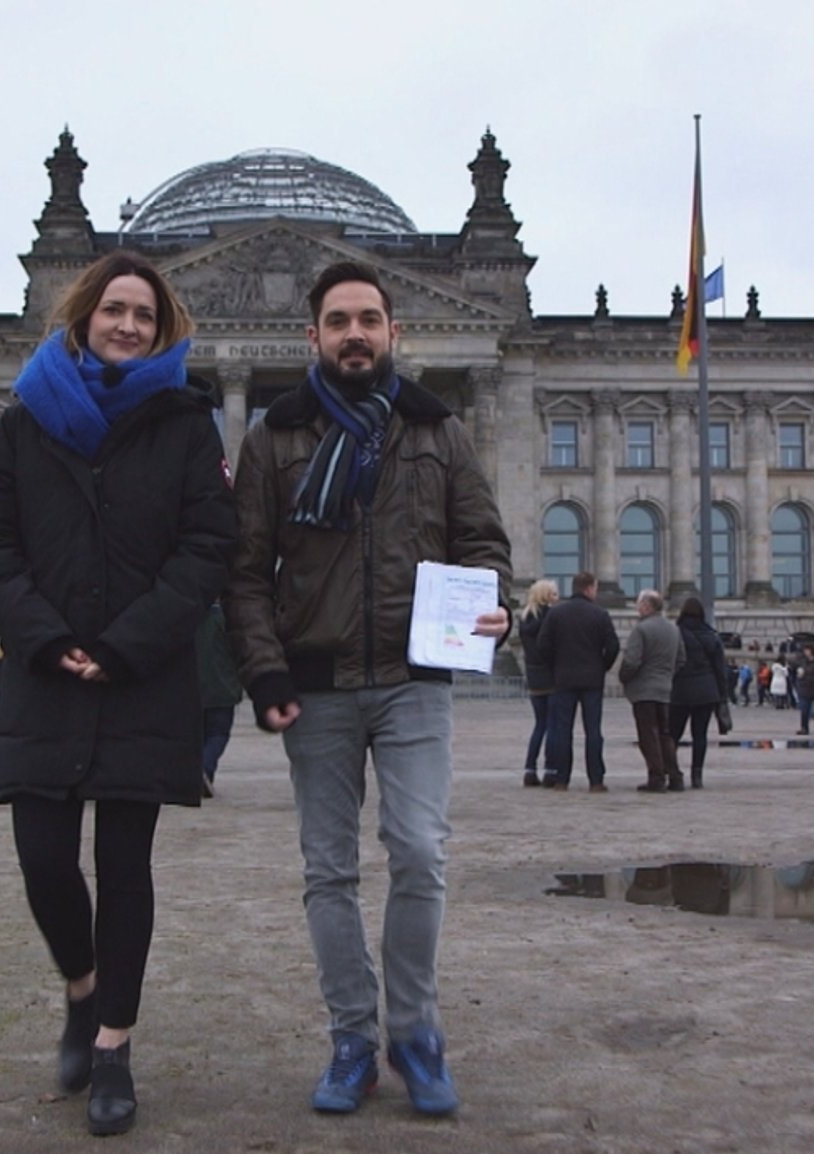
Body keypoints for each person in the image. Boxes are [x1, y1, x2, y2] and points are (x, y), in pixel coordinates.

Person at [224, 260, 510, 1118]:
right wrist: (265, 670)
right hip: (316, 684)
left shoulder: (440, 430)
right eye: (339, 321)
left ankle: (415, 1032)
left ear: (394, 334)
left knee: (421, 854)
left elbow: (483, 542)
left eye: (370, 320)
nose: (356, 334)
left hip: (415, 679)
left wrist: (495, 603)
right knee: (329, 870)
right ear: (310, 337)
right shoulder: (272, 436)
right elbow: (243, 574)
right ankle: (353, 1039)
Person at [0, 251, 236, 1137]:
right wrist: (42, 639)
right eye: (114, 309)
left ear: (163, 332)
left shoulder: (190, 422)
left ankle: (113, 1046)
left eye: (144, 316)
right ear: (81, 316)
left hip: (142, 676)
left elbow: (207, 547)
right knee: (44, 858)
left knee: (125, 871)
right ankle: (82, 991)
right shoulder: (24, 420)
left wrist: (127, 645)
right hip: (45, 673)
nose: (127, 325)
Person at [532, 571, 620, 792]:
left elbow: (542, 646)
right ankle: (596, 780)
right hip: (592, 680)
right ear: (590, 588)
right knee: (593, 731)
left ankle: (562, 779)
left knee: (563, 730)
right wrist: (602, 666)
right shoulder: (600, 614)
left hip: (563, 678)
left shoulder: (557, 614)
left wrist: (555, 665)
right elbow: (613, 646)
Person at [617, 590, 683, 792]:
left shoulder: (641, 629)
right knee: (665, 734)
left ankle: (656, 777)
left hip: (644, 690)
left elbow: (632, 661)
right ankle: (675, 776)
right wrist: (666, 675)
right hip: (664, 688)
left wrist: (624, 677)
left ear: (647, 606)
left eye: (639, 604)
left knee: (648, 735)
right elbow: (681, 659)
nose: (637, 608)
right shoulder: (673, 629)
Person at [667, 597, 731, 788]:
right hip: (706, 691)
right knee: (700, 735)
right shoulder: (711, 636)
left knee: (673, 735)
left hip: (680, 691)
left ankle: (672, 773)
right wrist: (723, 696)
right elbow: (720, 670)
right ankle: (697, 776)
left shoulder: (675, 634)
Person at [195, 603, 241, 798]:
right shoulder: (224, 619)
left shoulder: (187, 618)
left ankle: (198, 772)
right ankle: (204, 768)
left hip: (192, 688)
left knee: (197, 735)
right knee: (217, 734)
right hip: (222, 688)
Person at [516, 580, 560, 787]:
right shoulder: (550, 617)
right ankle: (551, 770)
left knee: (539, 725)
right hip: (551, 675)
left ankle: (529, 769)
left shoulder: (525, 617)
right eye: (554, 594)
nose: (557, 598)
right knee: (552, 725)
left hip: (533, 675)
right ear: (545, 596)